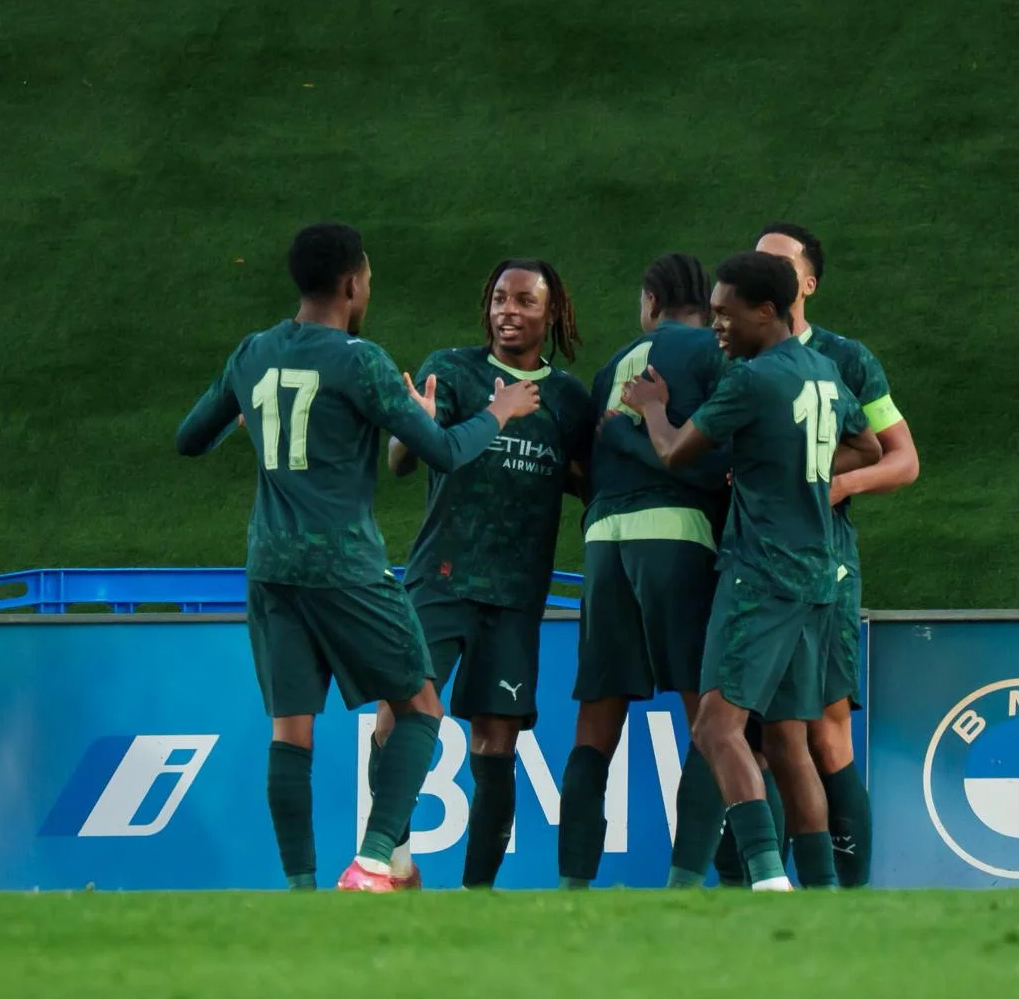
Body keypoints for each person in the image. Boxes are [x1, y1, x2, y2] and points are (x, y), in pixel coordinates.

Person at [174, 223, 541, 893]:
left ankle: (301, 890)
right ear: (351, 284)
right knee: (423, 707)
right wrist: (503, 410)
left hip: (269, 566)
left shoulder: (252, 353)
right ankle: (374, 861)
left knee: (292, 731)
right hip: (344, 566)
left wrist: (254, 414)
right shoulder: (361, 360)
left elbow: (188, 439)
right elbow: (446, 452)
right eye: (367, 279)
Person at [620, 251, 880, 890]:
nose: (716, 327)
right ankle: (819, 890)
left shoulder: (752, 379)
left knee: (717, 727)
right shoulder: (823, 371)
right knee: (790, 740)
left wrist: (652, 406)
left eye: (725, 314)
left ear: (768, 311)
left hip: (761, 571)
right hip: (821, 578)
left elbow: (677, 453)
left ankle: (766, 878)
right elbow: (868, 446)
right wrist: (799, 458)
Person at [372, 258, 595, 890]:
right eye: (499, 298)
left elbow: (588, 482)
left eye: (525, 301)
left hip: (515, 594)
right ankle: (396, 857)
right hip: (439, 578)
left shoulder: (569, 399)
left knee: (496, 745)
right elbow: (399, 463)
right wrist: (413, 422)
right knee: (399, 717)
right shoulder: (456, 368)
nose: (508, 311)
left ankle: (477, 896)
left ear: (551, 314)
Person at [712, 223, 920, 888]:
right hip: (748, 556)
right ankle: (761, 883)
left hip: (820, 559)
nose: (762, 268)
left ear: (806, 283)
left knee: (820, 729)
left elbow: (903, 459)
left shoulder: (845, 358)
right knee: (750, 730)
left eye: (779, 262)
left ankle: (844, 897)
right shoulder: (736, 349)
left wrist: (832, 484)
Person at [556, 253, 734, 889]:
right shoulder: (711, 353)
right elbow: (717, 465)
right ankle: (684, 885)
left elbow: (587, 465)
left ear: (650, 302)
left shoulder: (609, 369)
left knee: (594, 727)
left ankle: (572, 888)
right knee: (712, 719)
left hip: (603, 539)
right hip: (677, 534)